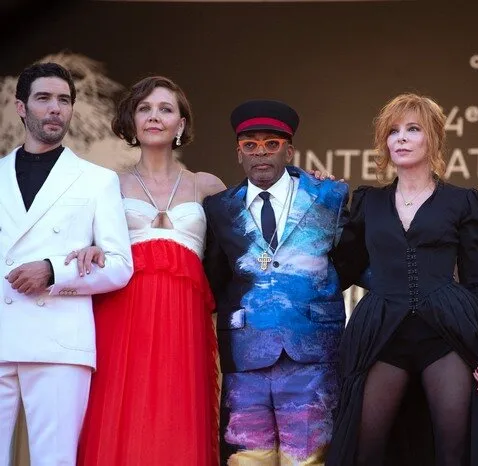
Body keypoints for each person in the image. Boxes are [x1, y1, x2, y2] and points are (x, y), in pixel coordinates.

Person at [327, 93, 478, 466]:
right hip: (381, 335)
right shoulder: (369, 202)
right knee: (366, 450)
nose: (401, 138)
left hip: (446, 336)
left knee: (453, 452)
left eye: (413, 129)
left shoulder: (462, 201)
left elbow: (475, 279)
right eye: (393, 131)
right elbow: (343, 268)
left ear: (433, 138)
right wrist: (321, 201)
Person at [76, 76, 226, 466]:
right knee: (121, 417)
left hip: (185, 322)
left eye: (165, 109)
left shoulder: (207, 186)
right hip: (121, 317)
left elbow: (247, 240)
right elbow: (84, 245)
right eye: (144, 108)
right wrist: (93, 246)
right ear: (132, 121)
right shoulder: (108, 184)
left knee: (177, 420)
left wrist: (312, 183)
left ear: (181, 124)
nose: (154, 116)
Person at [0, 62, 133, 465]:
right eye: (43, 98)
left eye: (63, 100)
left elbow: (119, 265)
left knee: (54, 460)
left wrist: (53, 271)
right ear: (21, 107)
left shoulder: (97, 180)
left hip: (59, 342)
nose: (55, 108)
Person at [203, 99, 349, 466]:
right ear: (239, 153)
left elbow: (351, 262)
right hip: (246, 355)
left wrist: (307, 294)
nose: (261, 152)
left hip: (312, 351)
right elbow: (216, 277)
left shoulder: (328, 197)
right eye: (250, 144)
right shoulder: (219, 208)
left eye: (271, 143)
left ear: (289, 151)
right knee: (248, 458)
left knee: (308, 459)